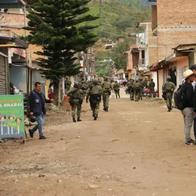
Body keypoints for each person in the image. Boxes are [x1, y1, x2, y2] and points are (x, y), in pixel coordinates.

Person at [181, 69, 195, 145]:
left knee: (187, 124)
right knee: (188, 125)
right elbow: (189, 98)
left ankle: (188, 138)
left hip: (184, 108)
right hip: (188, 108)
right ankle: (187, 140)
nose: (194, 77)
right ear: (189, 77)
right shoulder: (189, 86)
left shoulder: (183, 85)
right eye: (192, 76)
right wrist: (193, 107)